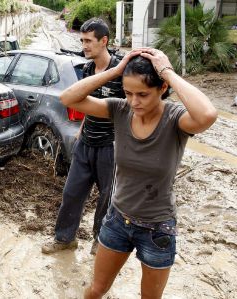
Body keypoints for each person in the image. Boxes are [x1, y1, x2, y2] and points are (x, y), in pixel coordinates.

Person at [59, 48, 218, 298]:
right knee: (96, 289)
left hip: (157, 229)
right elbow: (68, 98)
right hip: (117, 221)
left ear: (162, 88)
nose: (134, 102)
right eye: (128, 92)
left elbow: (207, 115)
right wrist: (116, 69)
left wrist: (168, 71)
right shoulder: (120, 110)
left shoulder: (175, 120)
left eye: (143, 94)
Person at [41, 18, 125, 255]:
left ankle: (100, 241)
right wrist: (80, 131)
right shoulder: (87, 69)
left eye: (89, 41)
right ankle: (65, 238)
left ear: (104, 41)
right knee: (72, 192)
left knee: (107, 198)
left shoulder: (121, 70)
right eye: (82, 40)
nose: (84, 45)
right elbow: (84, 102)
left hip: (111, 146)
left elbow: (133, 107)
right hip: (86, 143)